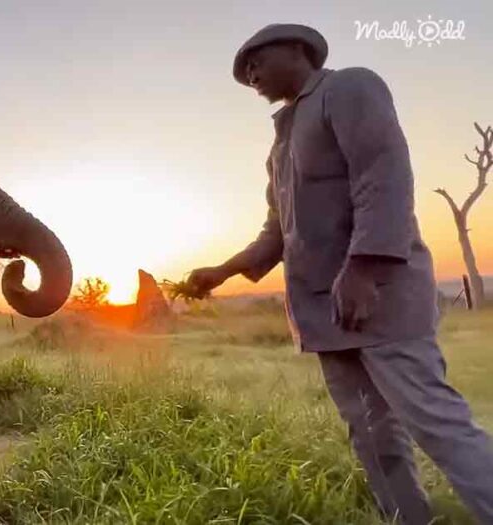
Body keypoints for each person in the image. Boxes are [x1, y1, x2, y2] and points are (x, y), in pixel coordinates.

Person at [186, 23, 493, 525]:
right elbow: (277, 232)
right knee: (370, 433)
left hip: (380, 298)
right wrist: (222, 271)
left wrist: (363, 269)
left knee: (437, 424)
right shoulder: (281, 145)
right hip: (326, 313)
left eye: (257, 61)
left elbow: (384, 175)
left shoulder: (349, 87)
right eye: (244, 72)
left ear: (297, 49)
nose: (251, 75)